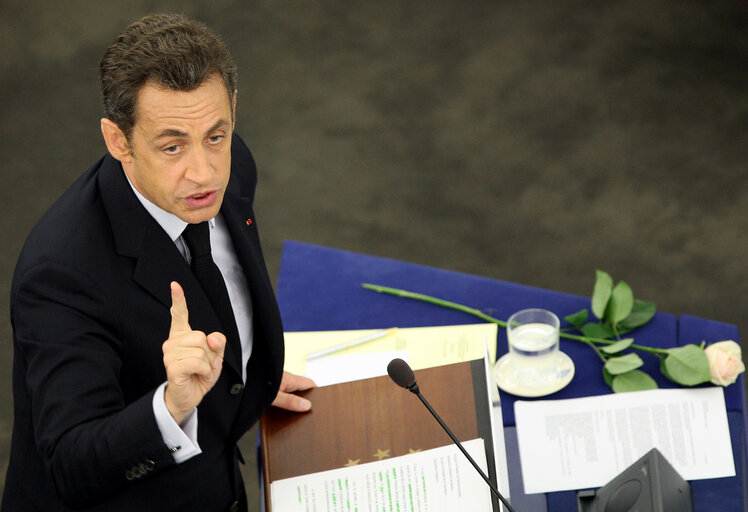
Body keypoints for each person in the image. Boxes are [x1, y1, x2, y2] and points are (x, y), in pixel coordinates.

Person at [2, 13, 314, 512]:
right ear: (118, 141)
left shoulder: (228, 170)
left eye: (217, 135)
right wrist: (173, 408)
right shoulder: (61, 274)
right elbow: (70, 463)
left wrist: (246, 381)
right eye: (172, 146)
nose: (204, 171)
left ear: (232, 109)